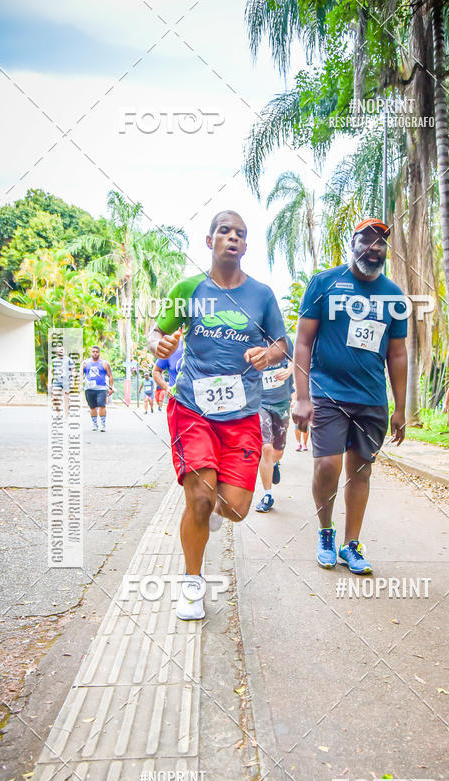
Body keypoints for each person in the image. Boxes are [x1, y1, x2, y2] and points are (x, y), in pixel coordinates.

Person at [148, 210, 287, 620]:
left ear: (246, 245)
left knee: (237, 508)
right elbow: (158, 331)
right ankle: (192, 583)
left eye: (240, 234)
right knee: (201, 495)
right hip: (193, 407)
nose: (233, 237)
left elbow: (282, 343)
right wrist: (160, 344)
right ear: (209, 241)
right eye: (224, 231)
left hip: (242, 413)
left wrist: (268, 354)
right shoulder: (189, 287)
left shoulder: (261, 295)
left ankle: (204, 513)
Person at [293, 218, 408, 574]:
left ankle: (351, 544)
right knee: (327, 465)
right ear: (352, 244)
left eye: (380, 243)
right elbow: (303, 342)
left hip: (371, 398)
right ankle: (326, 532)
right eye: (366, 240)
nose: (373, 248)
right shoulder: (324, 283)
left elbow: (398, 354)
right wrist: (301, 397)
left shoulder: (393, 295)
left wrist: (400, 408)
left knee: (361, 471)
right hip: (328, 393)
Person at [256, 333, 294, 512]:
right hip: (260, 402)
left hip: (282, 402)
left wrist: (288, 371)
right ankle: (267, 495)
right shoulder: (252, 340)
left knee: (277, 452)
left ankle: (274, 463)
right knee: (266, 448)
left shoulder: (284, 341)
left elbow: (296, 362)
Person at [83, 346, 113, 431]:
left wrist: (111, 387)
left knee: (102, 406)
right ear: (91, 352)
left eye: (97, 351)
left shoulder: (104, 363)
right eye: (93, 351)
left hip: (101, 389)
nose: (95, 353)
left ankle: (103, 424)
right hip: (89, 389)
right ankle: (94, 424)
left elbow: (110, 375)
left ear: (99, 353)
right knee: (92, 407)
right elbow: (80, 374)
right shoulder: (85, 363)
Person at [50, 345, 76, 415]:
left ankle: (66, 416)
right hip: (57, 381)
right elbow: (51, 371)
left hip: (66, 381)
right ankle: (58, 413)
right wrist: (50, 382)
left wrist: (72, 382)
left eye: (62, 350)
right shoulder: (54, 361)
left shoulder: (69, 360)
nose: (60, 351)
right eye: (59, 350)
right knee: (54, 397)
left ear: (64, 351)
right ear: (56, 352)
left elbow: (73, 371)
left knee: (66, 399)